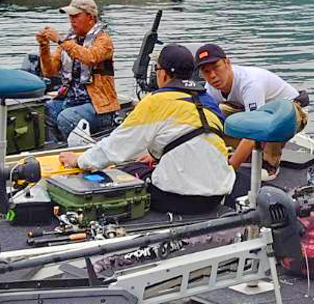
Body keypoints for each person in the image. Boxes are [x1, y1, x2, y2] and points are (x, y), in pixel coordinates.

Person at [59, 44, 235, 214]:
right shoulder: (208, 101)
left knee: (122, 172)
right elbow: (186, 135)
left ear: (163, 74)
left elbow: (116, 146)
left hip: (179, 199)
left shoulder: (156, 101)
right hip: (217, 195)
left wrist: (80, 161)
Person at [195, 44, 305, 177]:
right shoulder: (211, 87)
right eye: (206, 72)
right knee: (213, 116)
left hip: (292, 112)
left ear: (227, 63)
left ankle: (270, 164)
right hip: (255, 109)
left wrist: (229, 171)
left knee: (273, 125)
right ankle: (244, 152)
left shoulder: (250, 84)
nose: (212, 76)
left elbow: (254, 132)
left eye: (216, 68)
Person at [38, 0, 120, 139]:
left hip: (99, 108)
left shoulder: (104, 41)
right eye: (70, 16)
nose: (71, 20)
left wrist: (60, 40)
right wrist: (44, 46)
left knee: (66, 118)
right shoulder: (68, 41)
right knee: (45, 111)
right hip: (71, 101)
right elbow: (49, 71)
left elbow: (90, 57)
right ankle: (59, 145)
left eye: (76, 16)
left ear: (90, 17)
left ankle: (76, 148)